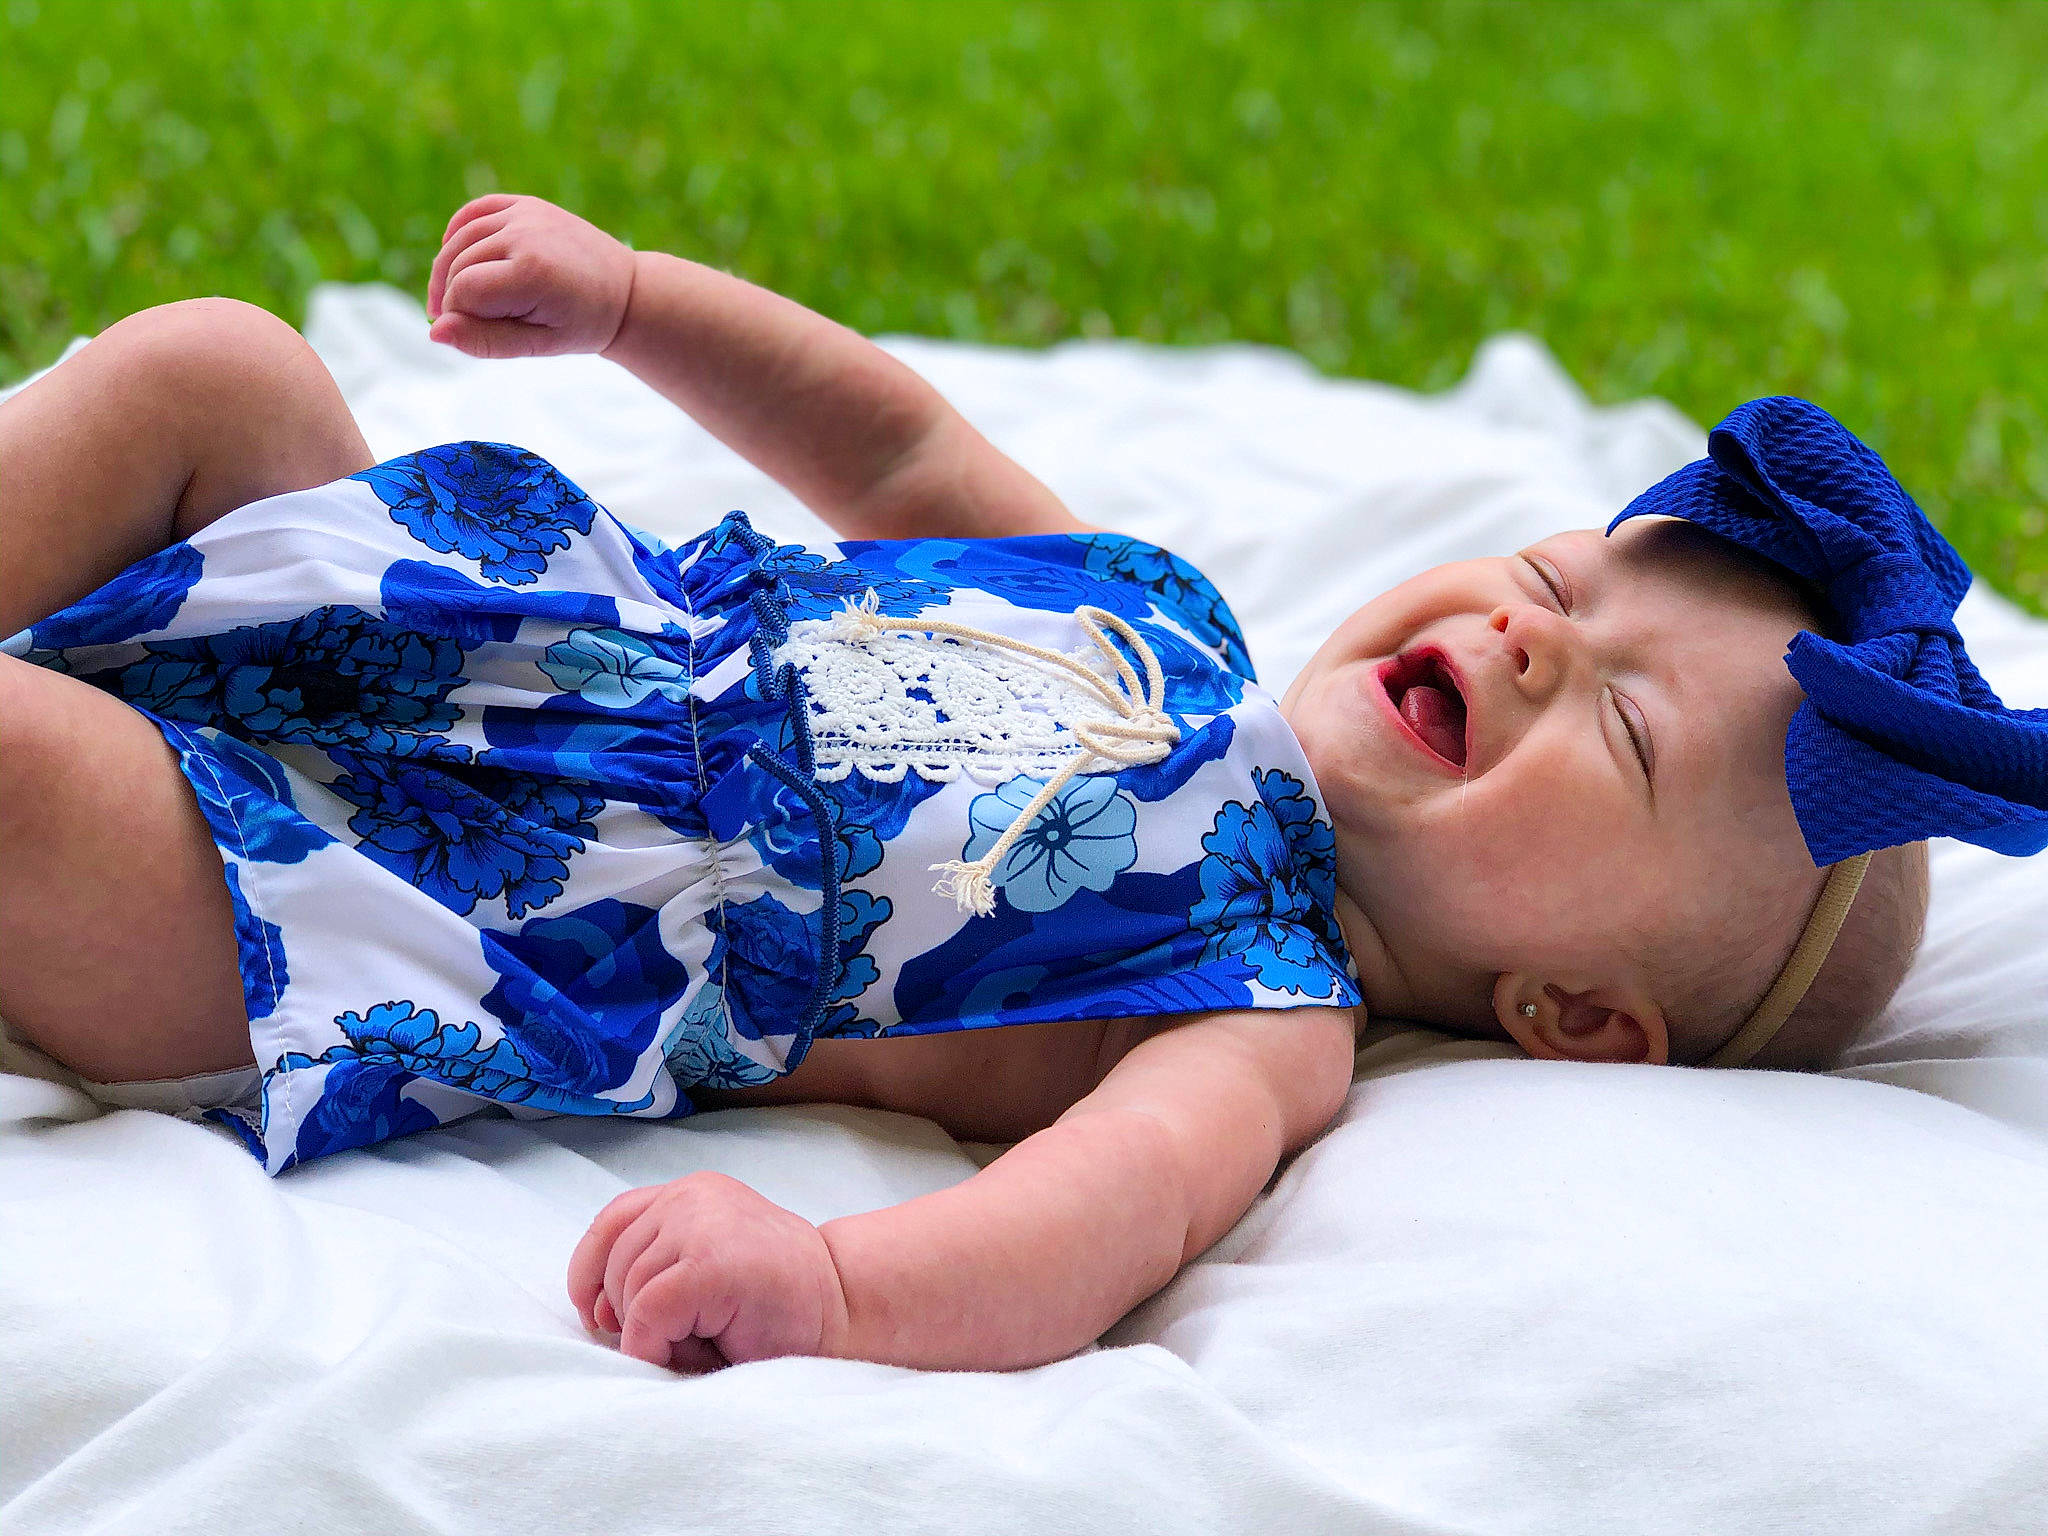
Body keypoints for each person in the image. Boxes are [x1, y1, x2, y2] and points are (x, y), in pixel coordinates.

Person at [1, 195, 2037, 1375]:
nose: (1531, 636)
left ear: (1576, 1019)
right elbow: (887, 454)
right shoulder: (1155, 603)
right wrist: (630, 303)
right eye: (1551, 581)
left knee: (28, 787)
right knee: (210, 371)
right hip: (455, 628)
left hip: (397, 906)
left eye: (1613, 729)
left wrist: (822, 1285)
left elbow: (1087, 1221)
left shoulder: (1256, 1008)